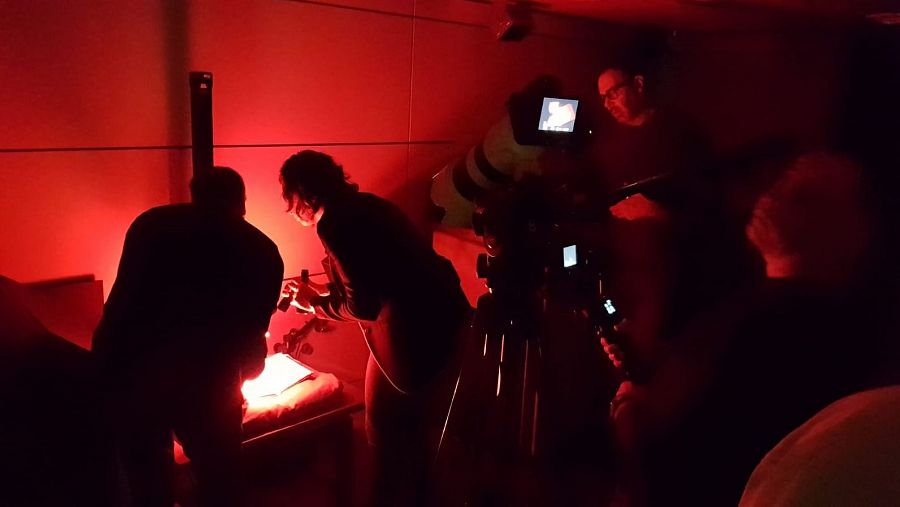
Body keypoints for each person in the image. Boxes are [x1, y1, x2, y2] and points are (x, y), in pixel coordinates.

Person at [606, 152, 881, 506]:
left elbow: (668, 461)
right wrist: (659, 362)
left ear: (845, 233)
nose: (770, 195)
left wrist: (626, 405)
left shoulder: (782, 328)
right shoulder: (782, 306)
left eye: (800, 195)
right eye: (781, 183)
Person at [279, 150, 471, 506]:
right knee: (402, 429)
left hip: (414, 333)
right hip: (443, 316)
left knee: (387, 429)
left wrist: (316, 304)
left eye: (286, 197)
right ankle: (417, 491)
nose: (287, 209)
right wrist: (321, 292)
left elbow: (362, 304)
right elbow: (374, 278)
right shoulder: (366, 204)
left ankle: (395, 496)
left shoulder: (333, 224)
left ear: (304, 195)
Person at [92, 167, 284, 507]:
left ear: (193, 194)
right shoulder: (262, 251)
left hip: (132, 371)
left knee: (148, 482)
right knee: (220, 480)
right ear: (241, 203)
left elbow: (122, 304)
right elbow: (251, 342)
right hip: (206, 383)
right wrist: (247, 374)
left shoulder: (150, 225)